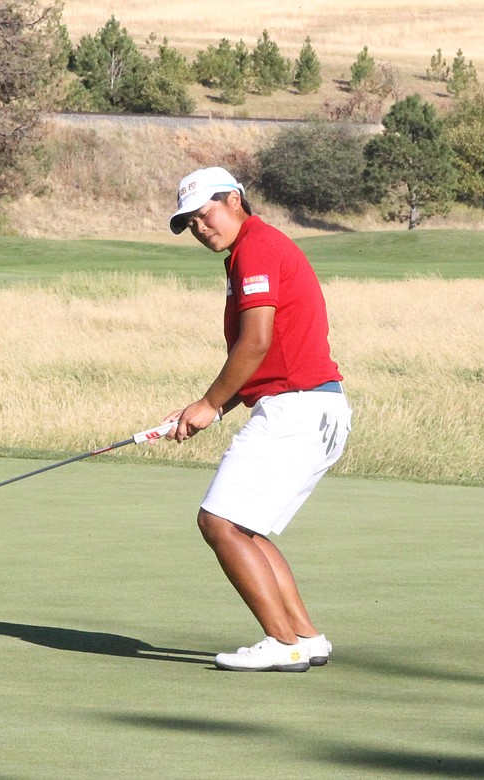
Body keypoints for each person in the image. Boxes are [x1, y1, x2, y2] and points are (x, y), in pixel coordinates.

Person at [163, 166, 352, 672]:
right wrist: (210, 409)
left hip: (297, 407)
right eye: (191, 225)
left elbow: (256, 342)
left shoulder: (256, 249)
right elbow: (263, 357)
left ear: (234, 200)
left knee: (219, 522)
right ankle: (305, 638)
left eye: (205, 216)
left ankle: (280, 641)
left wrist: (208, 403)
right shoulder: (252, 250)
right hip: (315, 405)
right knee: (244, 527)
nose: (201, 230)